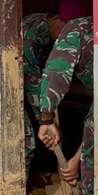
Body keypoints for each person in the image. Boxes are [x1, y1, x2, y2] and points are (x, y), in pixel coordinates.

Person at [38, 0, 94, 195]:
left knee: (93, 163)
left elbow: (56, 72)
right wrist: (76, 161)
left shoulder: (75, 29)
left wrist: (46, 118)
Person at [22, 11, 67, 181]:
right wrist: (46, 118)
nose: (65, 36)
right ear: (56, 19)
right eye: (64, 29)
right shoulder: (32, 32)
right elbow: (32, 80)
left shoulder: (43, 26)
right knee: (26, 142)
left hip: (24, 89)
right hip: (8, 91)